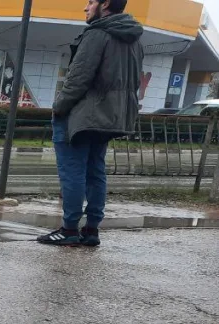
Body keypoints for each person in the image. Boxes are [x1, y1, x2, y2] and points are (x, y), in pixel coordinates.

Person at [39, 0, 143, 247]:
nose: (86, 7)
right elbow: (135, 81)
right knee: (96, 172)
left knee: (72, 171)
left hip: (83, 117)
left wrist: (59, 107)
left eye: (91, 2)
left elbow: (78, 78)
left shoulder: (97, 34)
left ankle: (69, 229)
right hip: (111, 116)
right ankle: (92, 229)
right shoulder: (134, 39)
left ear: (105, 4)